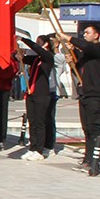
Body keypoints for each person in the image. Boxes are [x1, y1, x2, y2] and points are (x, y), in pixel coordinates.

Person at [69, 22, 100, 176]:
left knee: (94, 127)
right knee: (87, 128)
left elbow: (88, 47)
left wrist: (69, 38)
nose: (85, 35)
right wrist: (72, 57)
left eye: (87, 32)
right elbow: (80, 61)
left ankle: (96, 160)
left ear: (98, 35)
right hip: (86, 93)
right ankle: (88, 158)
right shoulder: (91, 54)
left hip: (98, 94)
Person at [20, 33, 58, 161]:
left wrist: (24, 40)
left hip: (42, 94)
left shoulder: (48, 58)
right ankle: (33, 146)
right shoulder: (36, 59)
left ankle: (40, 149)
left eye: (39, 42)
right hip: (32, 93)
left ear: (46, 44)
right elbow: (22, 59)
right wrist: (16, 54)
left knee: (40, 122)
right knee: (33, 121)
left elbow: (38, 49)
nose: (37, 44)